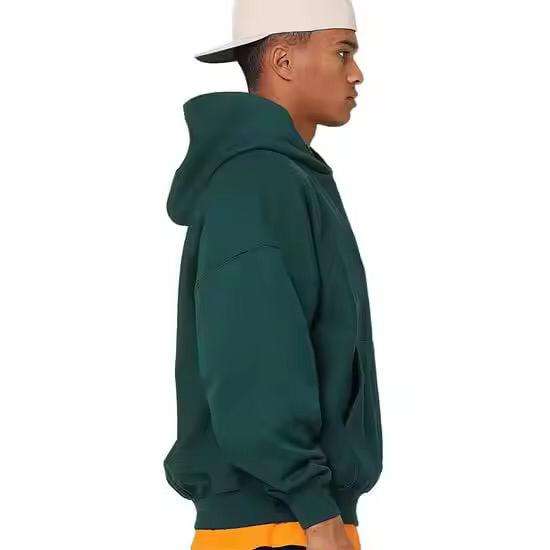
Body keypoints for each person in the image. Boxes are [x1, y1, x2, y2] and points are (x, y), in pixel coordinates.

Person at [163, 1, 383, 548]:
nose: (356, 73)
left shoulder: (286, 176)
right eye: (343, 52)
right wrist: (315, 510)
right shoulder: (257, 180)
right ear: (283, 60)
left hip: (300, 519)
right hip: (280, 526)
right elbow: (253, 355)